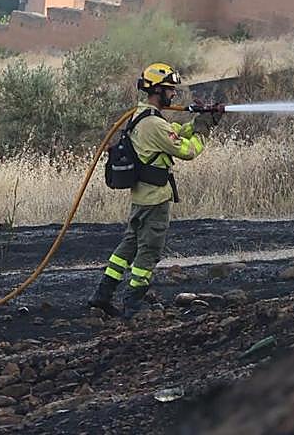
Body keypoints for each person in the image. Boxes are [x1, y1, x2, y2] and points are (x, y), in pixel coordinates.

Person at [88, 63, 219, 318]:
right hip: (155, 199)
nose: (173, 94)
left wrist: (199, 121)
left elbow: (174, 134)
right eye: (170, 89)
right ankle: (133, 306)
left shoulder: (142, 116)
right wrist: (203, 130)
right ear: (157, 90)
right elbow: (187, 150)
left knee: (129, 246)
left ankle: (102, 295)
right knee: (149, 251)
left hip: (141, 197)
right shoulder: (154, 123)